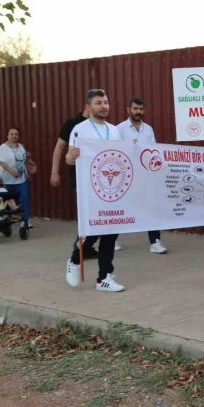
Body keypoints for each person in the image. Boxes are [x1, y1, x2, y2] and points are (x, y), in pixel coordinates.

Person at [65, 89, 125, 292]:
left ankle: (104, 277)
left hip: (113, 189)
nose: (104, 106)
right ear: (89, 107)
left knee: (111, 232)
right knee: (92, 231)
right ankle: (74, 260)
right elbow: (68, 159)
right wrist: (71, 156)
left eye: (106, 102)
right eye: (99, 103)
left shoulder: (115, 130)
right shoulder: (79, 130)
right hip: (90, 190)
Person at [116, 97, 167, 254]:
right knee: (120, 208)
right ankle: (112, 239)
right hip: (125, 176)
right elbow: (115, 151)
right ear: (128, 109)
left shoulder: (148, 129)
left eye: (141, 109)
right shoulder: (119, 129)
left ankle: (155, 242)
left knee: (151, 207)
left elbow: (153, 150)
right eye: (135, 109)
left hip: (145, 175)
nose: (138, 112)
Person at [52, 104, 100, 259]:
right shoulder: (73, 124)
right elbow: (59, 148)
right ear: (88, 106)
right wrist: (54, 172)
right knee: (86, 212)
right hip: (80, 176)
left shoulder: (100, 126)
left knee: (96, 212)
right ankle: (80, 247)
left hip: (98, 177)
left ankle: (86, 245)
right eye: (97, 104)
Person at [0, 128, 31, 228]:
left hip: (21, 179)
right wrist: (12, 171)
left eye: (16, 134)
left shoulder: (21, 146)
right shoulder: (3, 147)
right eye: (11, 134)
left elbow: (23, 158)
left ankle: (25, 221)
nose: (14, 136)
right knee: (4, 200)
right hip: (7, 180)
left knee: (24, 200)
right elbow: (1, 161)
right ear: (7, 136)